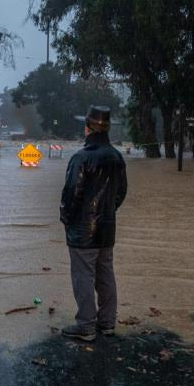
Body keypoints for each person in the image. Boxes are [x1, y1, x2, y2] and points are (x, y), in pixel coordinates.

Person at [60, 105, 128, 341]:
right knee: (105, 274)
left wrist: (67, 220)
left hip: (83, 231)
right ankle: (107, 323)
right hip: (107, 229)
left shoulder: (81, 157)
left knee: (83, 277)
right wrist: (107, 211)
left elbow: (71, 194)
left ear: (87, 128)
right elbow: (121, 192)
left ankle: (86, 326)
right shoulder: (117, 156)